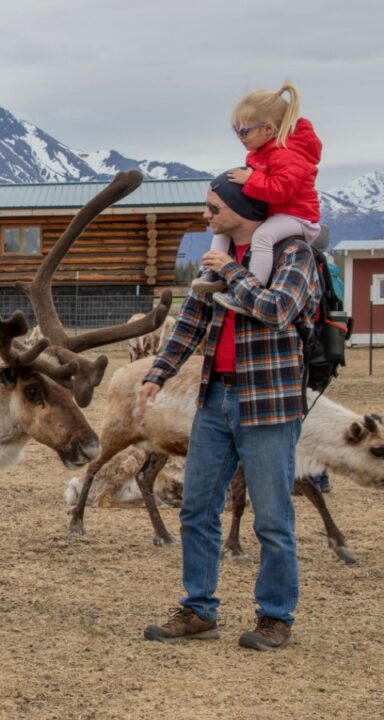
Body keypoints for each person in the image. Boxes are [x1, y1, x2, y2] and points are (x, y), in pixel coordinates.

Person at [140, 173, 319, 652]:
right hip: (214, 400)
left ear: (242, 208)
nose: (207, 216)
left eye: (214, 208)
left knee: (271, 517)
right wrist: (158, 372)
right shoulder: (218, 257)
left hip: (268, 404)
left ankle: (275, 617)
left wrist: (234, 273)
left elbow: (279, 309)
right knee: (197, 508)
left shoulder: (294, 254)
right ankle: (199, 610)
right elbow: (194, 319)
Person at [192, 82, 321, 316]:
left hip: (298, 217)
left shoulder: (287, 156)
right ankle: (211, 273)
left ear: (269, 129)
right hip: (277, 213)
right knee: (221, 230)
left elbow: (281, 190)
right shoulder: (259, 154)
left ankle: (252, 287)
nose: (240, 137)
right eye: (236, 130)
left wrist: (250, 181)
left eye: (245, 131)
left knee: (262, 237)